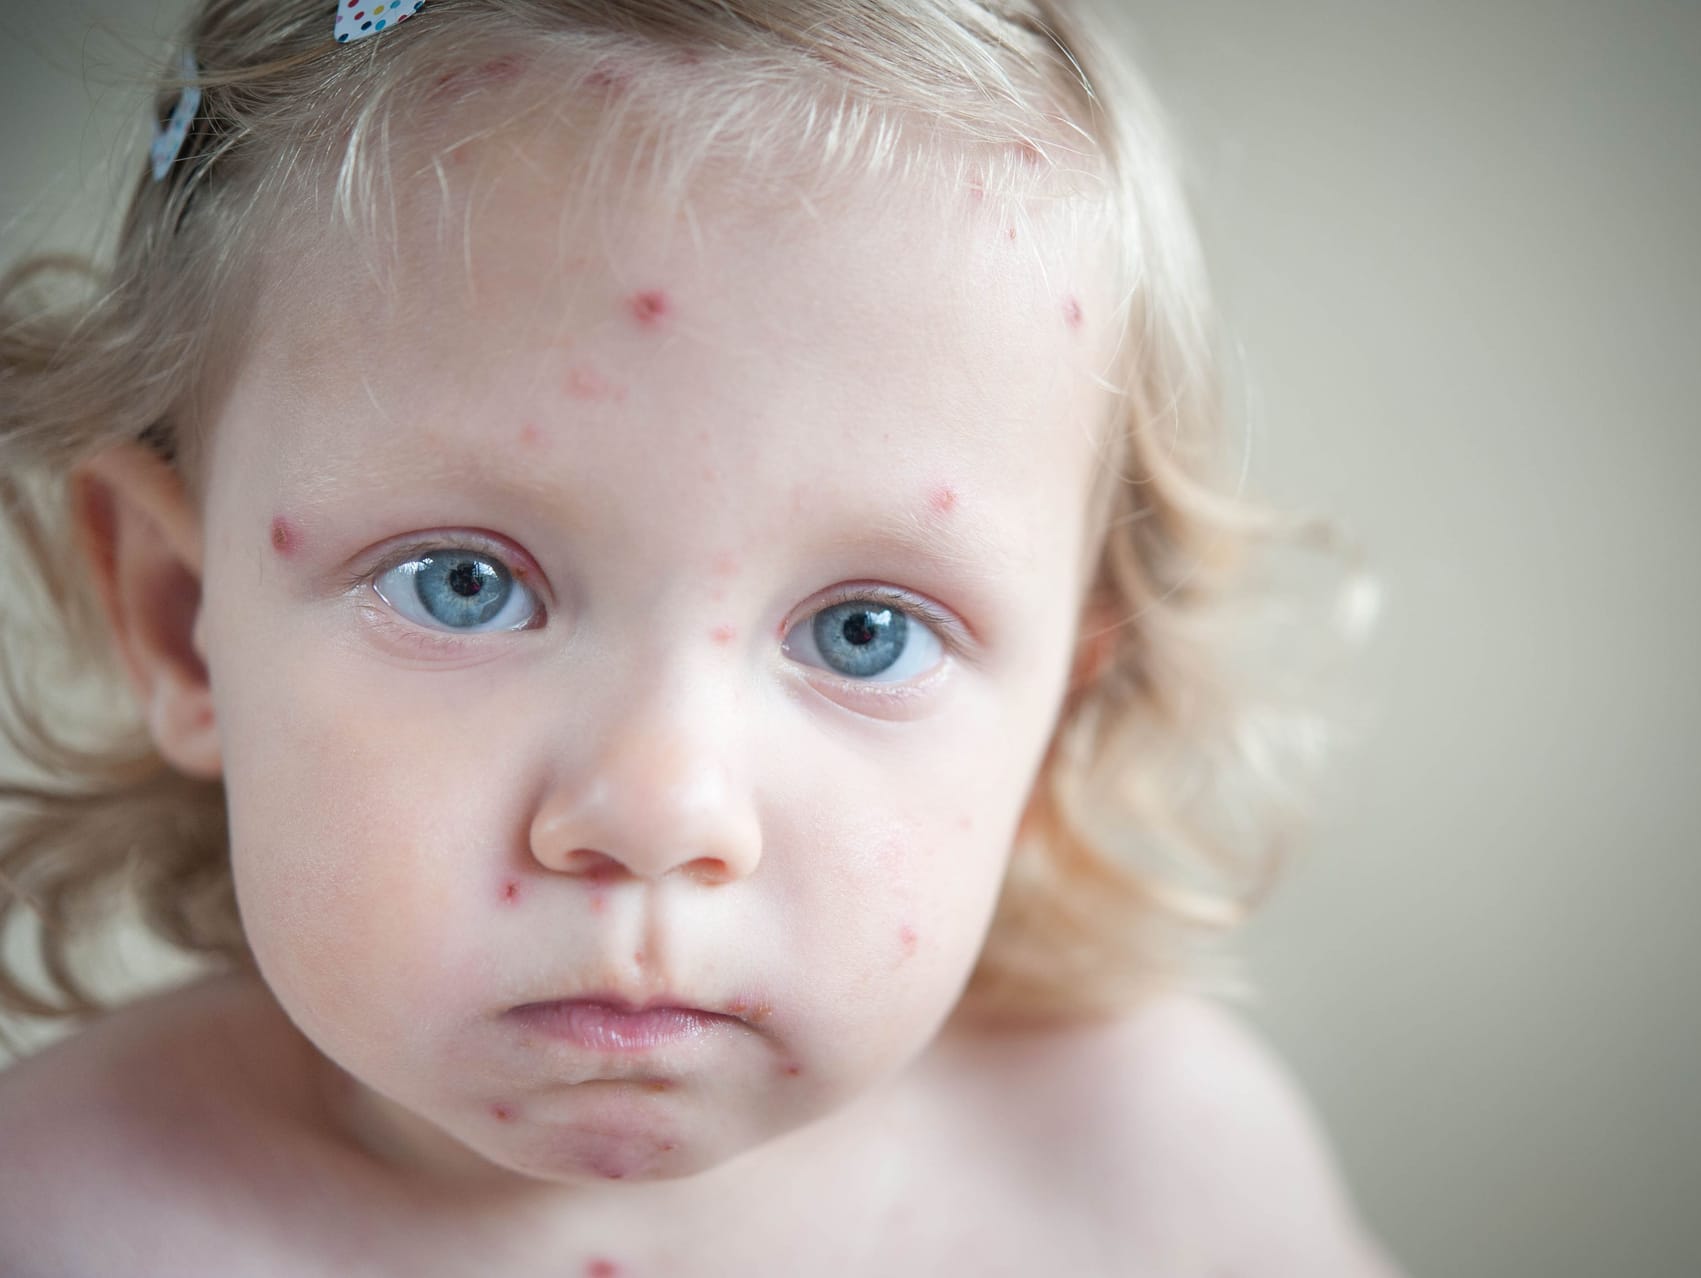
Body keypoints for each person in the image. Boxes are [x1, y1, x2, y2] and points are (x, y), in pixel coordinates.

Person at [0, 1, 1397, 1272]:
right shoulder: (58, 1214)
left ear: (1058, 711)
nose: (660, 808)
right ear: (182, 624)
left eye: (863, 632)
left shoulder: (1161, 1184)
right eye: (462, 586)